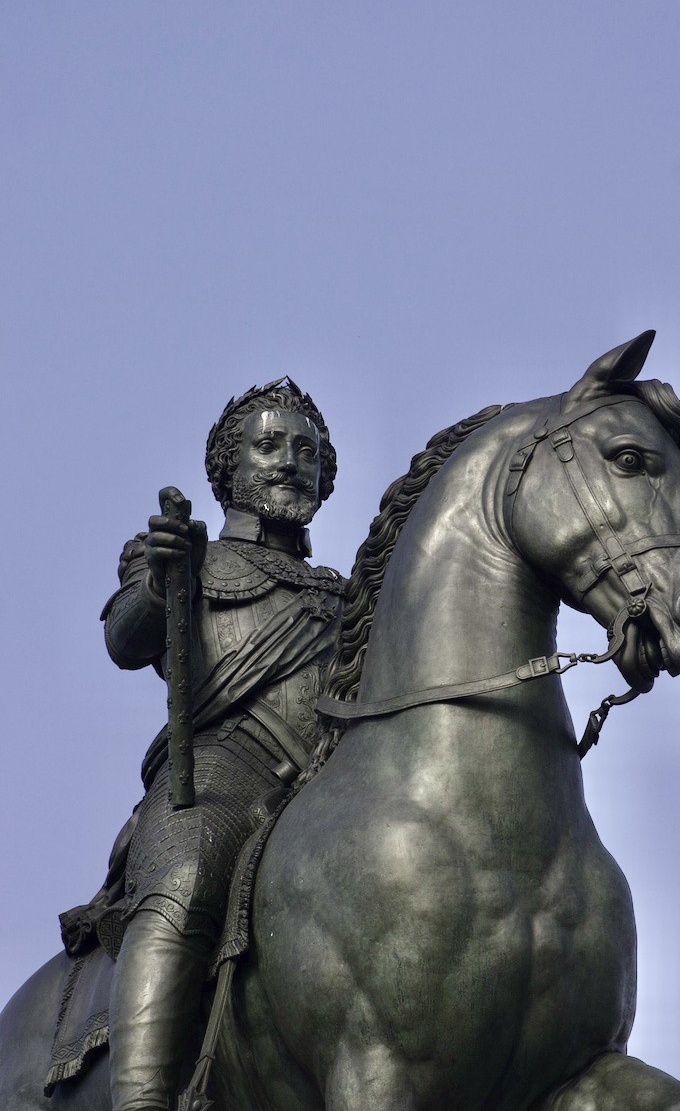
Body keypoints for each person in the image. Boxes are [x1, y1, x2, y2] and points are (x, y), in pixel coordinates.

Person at [91, 377, 343, 1111]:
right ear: (228, 470)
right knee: (187, 869)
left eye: (307, 451)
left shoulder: (347, 593)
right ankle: (142, 1100)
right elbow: (126, 639)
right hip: (224, 769)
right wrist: (167, 577)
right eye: (268, 446)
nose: (290, 461)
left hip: (332, 783)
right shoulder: (179, 554)